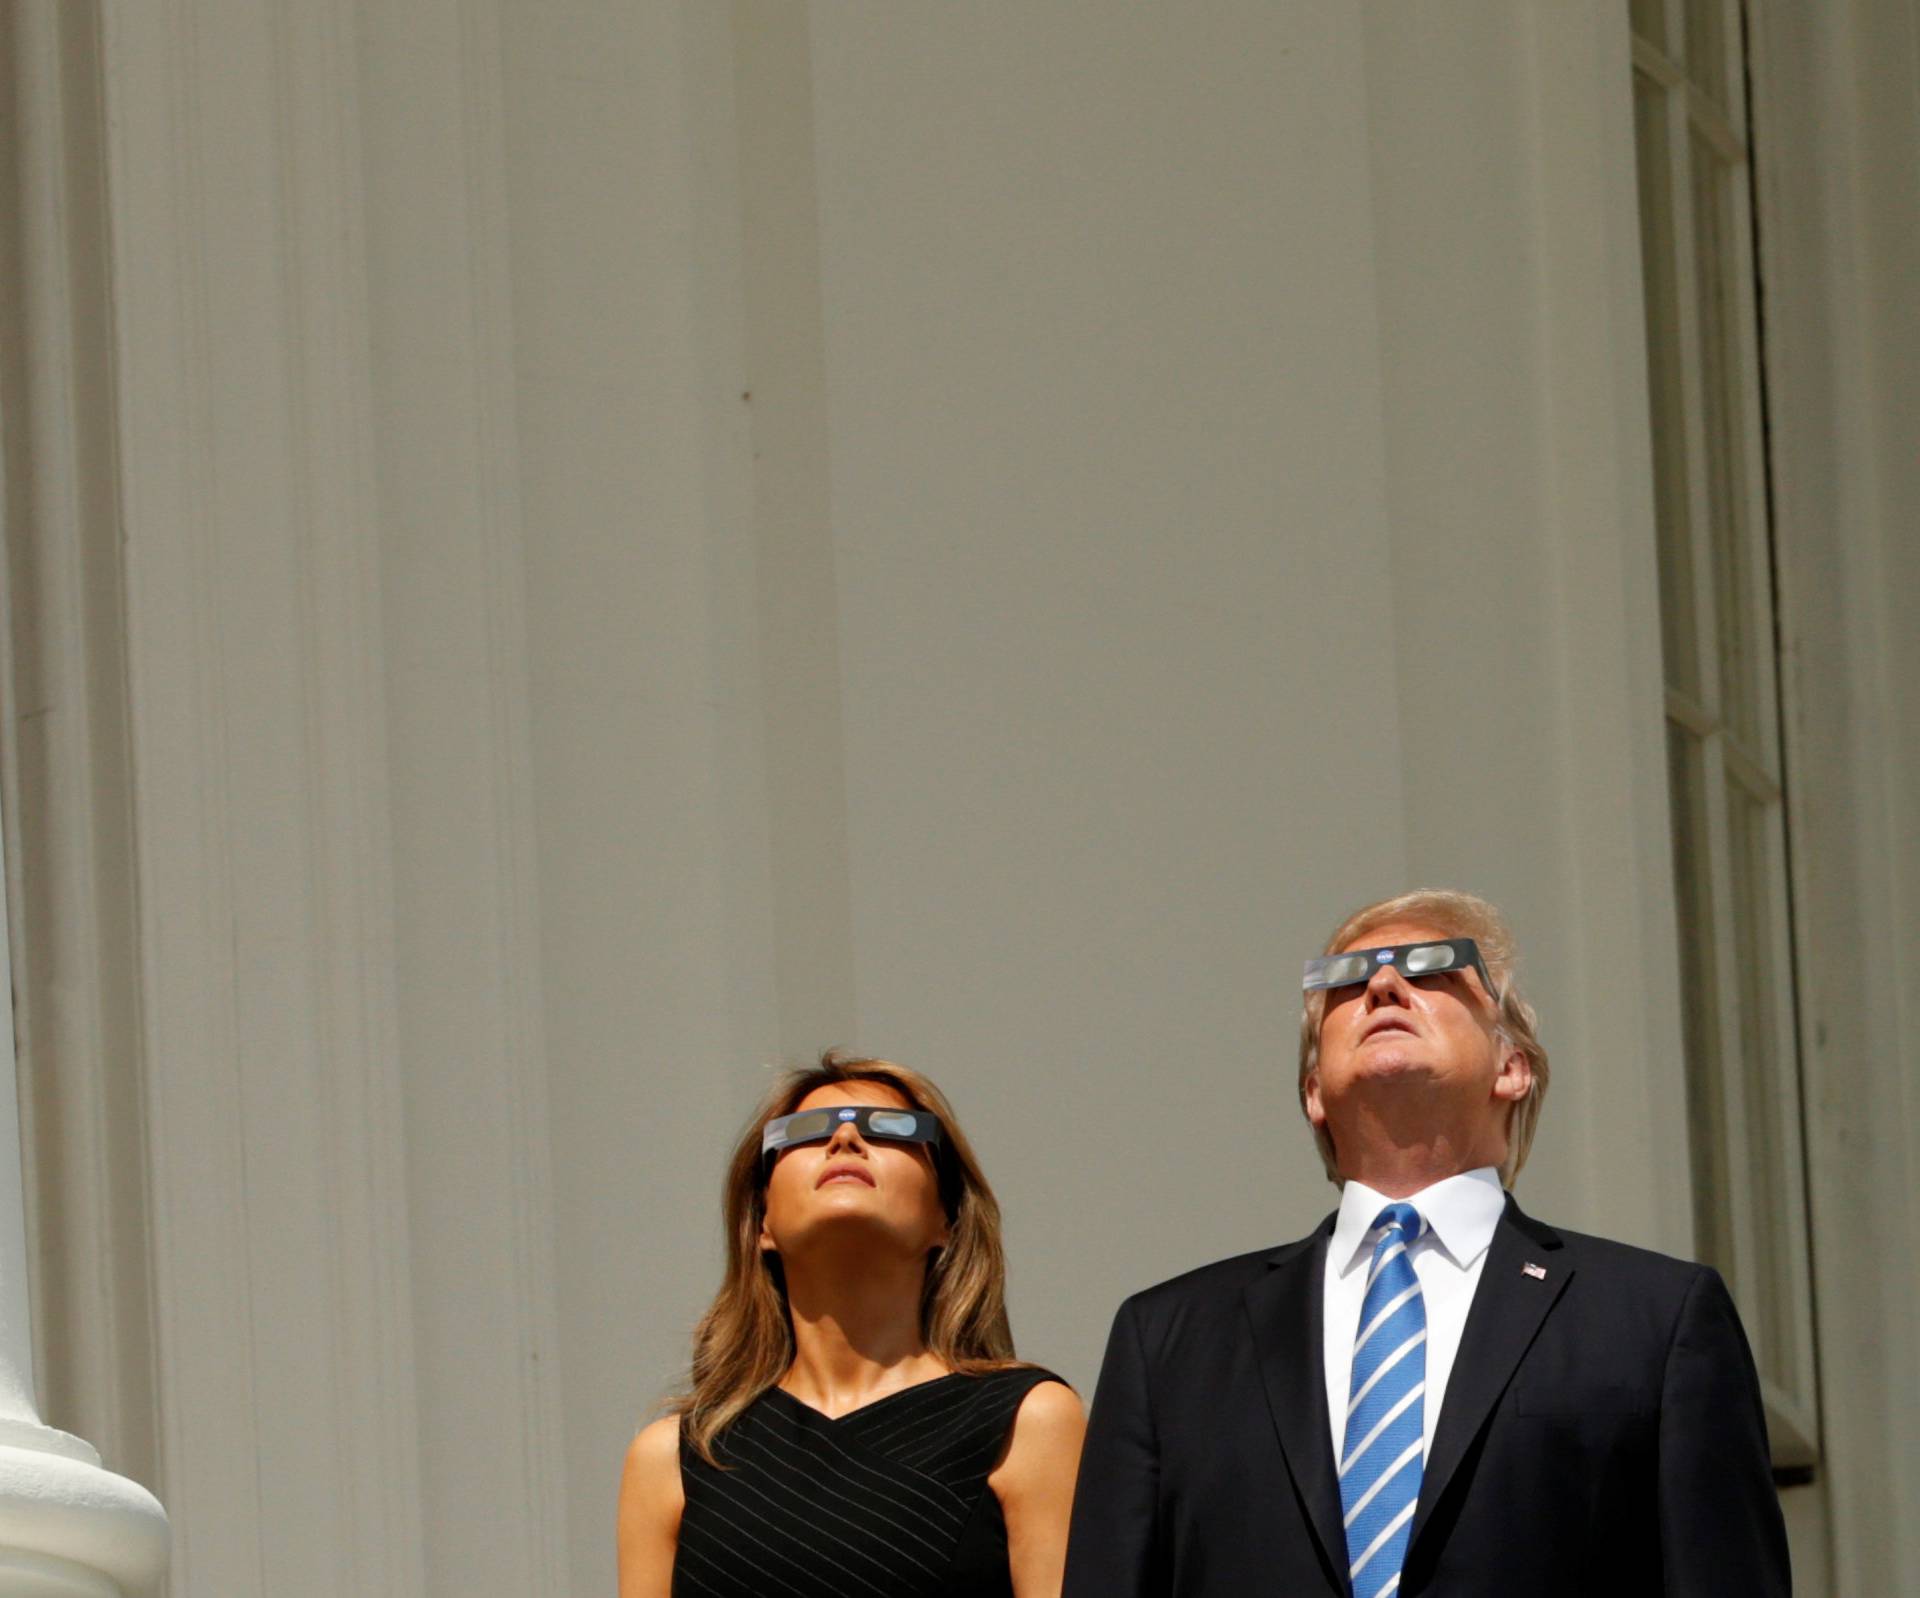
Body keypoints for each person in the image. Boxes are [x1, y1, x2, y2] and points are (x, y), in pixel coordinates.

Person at [1063, 888, 1789, 1597]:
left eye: (1433, 968)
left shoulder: (1654, 1321)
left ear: (1513, 1067)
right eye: (1347, 980)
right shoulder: (1169, 1341)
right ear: (1313, 1089)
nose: (1383, 985)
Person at [620, 1051, 1085, 1598]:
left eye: (892, 1129)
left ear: (947, 1219)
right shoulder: (677, 1455)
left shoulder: (1028, 1421)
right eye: (803, 1132)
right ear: (761, 1222)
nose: (844, 1139)